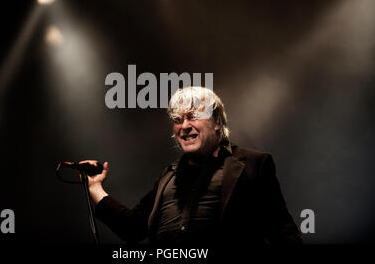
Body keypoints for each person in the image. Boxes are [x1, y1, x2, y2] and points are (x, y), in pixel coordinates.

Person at [80, 86, 303, 245]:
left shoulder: (252, 164)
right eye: (178, 120)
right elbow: (132, 227)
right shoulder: (168, 177)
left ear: (217, 122)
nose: (184, 126)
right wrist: (95, 188)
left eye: (194, 116)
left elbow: (281, 229)